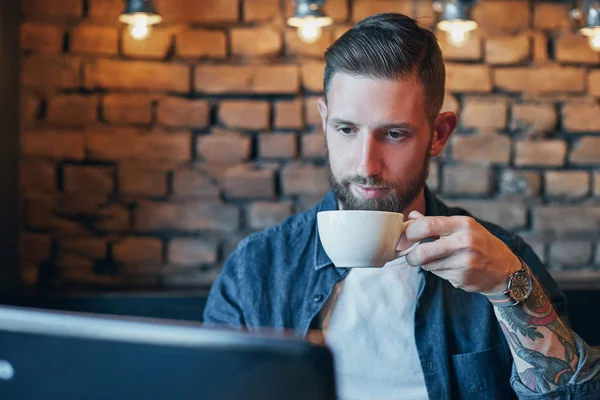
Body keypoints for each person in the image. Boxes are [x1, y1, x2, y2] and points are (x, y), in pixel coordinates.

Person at [204, 13, 600, 399]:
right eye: (346, 129)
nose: (365, 166)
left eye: (394, 134)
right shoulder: (256, 268)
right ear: (324, 120)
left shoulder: (501, 260)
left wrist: (509, 288)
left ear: (439, 134)